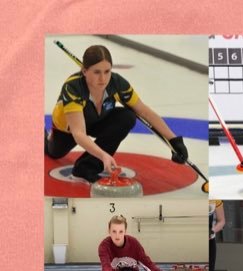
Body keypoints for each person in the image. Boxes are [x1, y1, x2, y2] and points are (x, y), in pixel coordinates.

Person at [45, 45, 188, 183]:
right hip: (68, 129)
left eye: (107, 71)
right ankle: (43, 136)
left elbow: (144, 111)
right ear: (84, 71)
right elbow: (79, 133)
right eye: (96, 72)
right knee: (54, 152)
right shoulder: (73, 87)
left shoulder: (117, 83)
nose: (103, 78)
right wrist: (103, 155)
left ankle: (86, 168)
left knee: (127, 117)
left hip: (98, 120)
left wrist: (174, 140)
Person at [98, 215, 169, 271]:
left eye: (121, 231)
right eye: (114, 231)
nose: (117, 235)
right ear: (109, 231)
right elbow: (106, 267)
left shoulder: (133, 244)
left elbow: (146, 262)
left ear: (125, 231)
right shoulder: (104, 246)